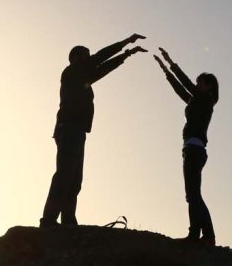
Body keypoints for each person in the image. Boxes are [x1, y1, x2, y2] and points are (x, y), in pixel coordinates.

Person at [40, 34, 147, 227]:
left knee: (74, 178)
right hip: (69, 128)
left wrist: (126, 55)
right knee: (65, 174)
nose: (90, 60)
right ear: (76, 58)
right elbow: (100, 58)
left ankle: (68, 220)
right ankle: (48, 219)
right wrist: (125, 43)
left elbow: (103, 68)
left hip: (77, 129)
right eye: (86, 57)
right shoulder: (71, 72)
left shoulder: (83, 77)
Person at [153, 47, 219, 246]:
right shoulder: (198, 100)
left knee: (193, 194)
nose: (197, 84)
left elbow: (186, 84)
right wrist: (165, 70)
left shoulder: (206, 100)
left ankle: (207, 235)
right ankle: (195, 235)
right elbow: (181, 90)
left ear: (208, 86)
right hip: (191, 149)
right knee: (192, 194)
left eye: (200, 82)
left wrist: (170, 62)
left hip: (195, 149)